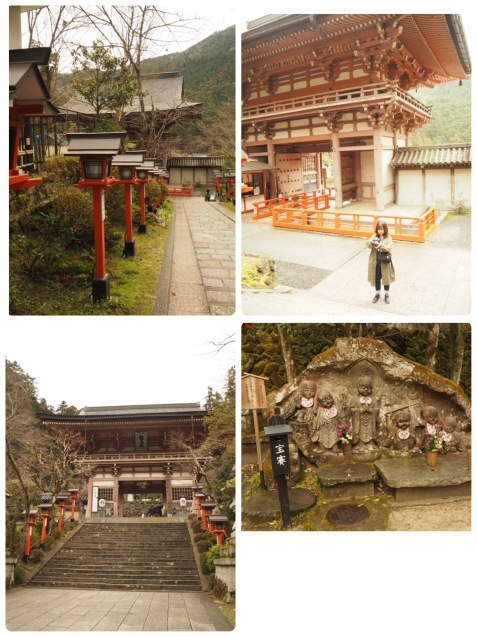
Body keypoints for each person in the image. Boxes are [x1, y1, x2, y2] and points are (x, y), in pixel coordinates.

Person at [366, 220, 395, 304]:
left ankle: (386, 295)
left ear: (385, 229)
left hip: (385, 262)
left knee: (386, 278)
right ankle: (377, 294)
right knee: (376, 278)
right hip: (375, 261)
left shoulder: (388, 238)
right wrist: (371, 241)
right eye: (379, 229)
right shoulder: (374, 236)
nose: (380, 231)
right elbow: (368, 245)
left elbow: (389, 248)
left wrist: (380, 246)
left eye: (382, 229)